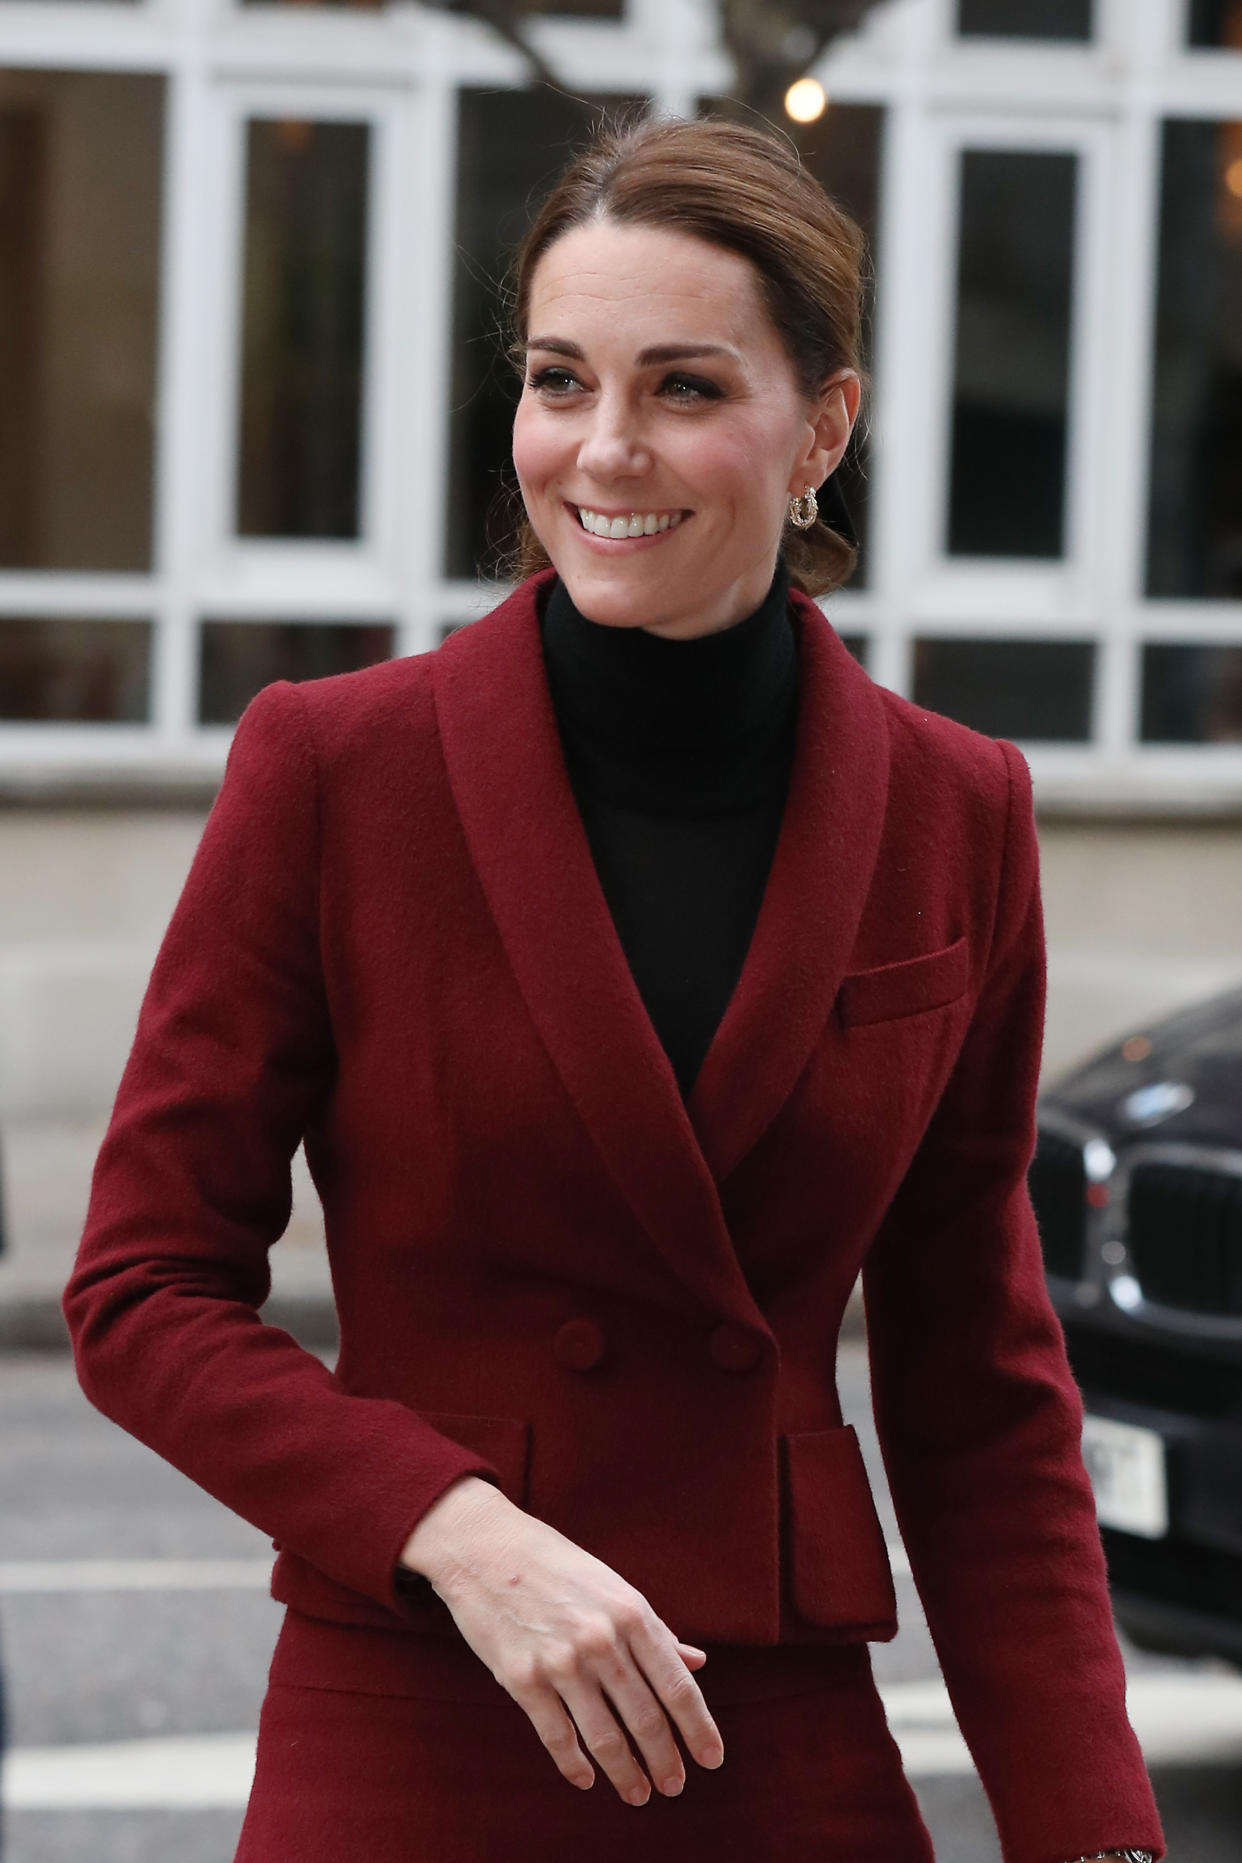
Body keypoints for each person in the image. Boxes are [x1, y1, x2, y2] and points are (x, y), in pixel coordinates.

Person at [64, 117, 1164, 1863]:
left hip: (780, 1742)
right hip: (416, 1713)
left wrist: (1093, 1835)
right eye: (559, 379)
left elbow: (979, 1394)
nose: (603, 449)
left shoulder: (958, 814)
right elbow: (140, 1292)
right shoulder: (338, 770)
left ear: (823, 428)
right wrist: (453, 1525)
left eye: (681, 387)